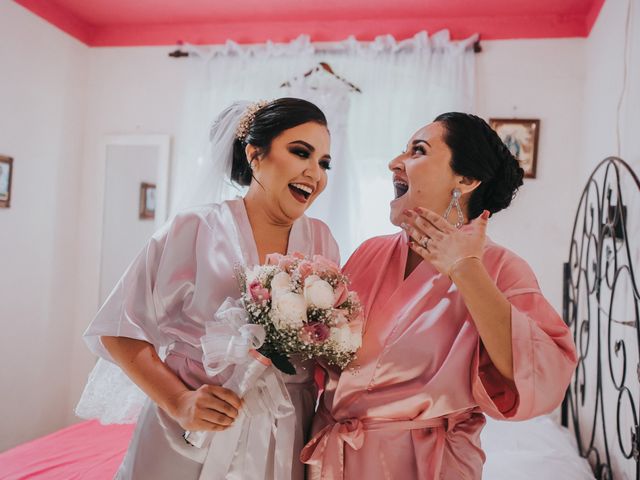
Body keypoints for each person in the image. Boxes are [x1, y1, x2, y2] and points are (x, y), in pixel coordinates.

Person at [301, 112, 577, 479]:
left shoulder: (499, 268)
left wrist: (466, 270)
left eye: (417, 151)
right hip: (334, 459)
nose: (394, 163)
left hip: (423, 466)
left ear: (465, 179)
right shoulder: (370, 253)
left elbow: (545, 377)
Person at [80, 98, 340, 479]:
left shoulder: (322, 241)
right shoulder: (195, 228)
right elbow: (119, 331)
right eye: (301, 152)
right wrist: (181, 402)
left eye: (324, 162)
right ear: (255, 154)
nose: (314, 172)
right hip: (187, 435)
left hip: (283, 435)